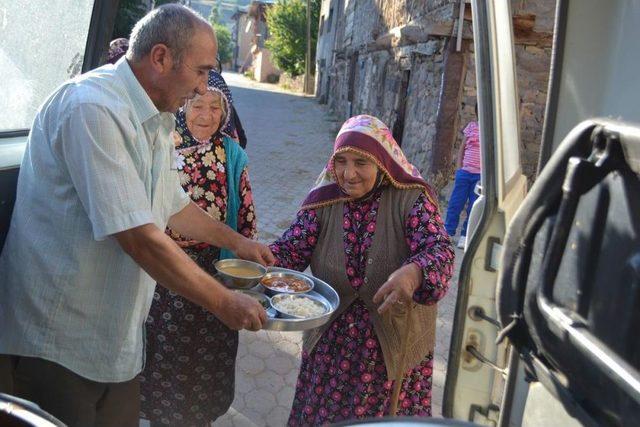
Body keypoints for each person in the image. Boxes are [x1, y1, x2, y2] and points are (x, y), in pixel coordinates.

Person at [0, 5, 273, 426]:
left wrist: (239, 243)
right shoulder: (92, 108)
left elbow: (174, 205)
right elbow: (138, 237)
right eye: (201, 72)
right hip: (58, 341)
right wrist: (223, 302)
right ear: (160, 57)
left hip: (116, 343)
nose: (203, 88)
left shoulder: (155, 117)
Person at [269, 115, 455, 425]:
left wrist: (413, 272)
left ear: (382, 163)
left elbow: (440, 251)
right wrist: (261, 259)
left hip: (390, 349)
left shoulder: (410, 198)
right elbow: (291, 250)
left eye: (361, 162)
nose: (348, 173)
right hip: (332, 347)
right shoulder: (324, 201)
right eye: (340, 161)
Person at [139, 71, 256, 426]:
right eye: (197, 106)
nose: (206, 116)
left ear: (226, 113)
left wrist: (247, 267)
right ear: (181, 108)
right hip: (164, 274)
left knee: (206, 364)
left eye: (215, 108)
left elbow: (245, 216)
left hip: (216, 272)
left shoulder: (231, 154)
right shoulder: (162, 146)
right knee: (163, 360)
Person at [444, 110, 481, 249]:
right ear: (477, 112)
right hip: (464, 173)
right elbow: (462, 149)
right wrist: (459, 169)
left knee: (473, 206)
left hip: (479, 176)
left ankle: (465, 235)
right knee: (455, 204)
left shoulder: (491, 132)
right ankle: (448, 232)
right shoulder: (471, 127)